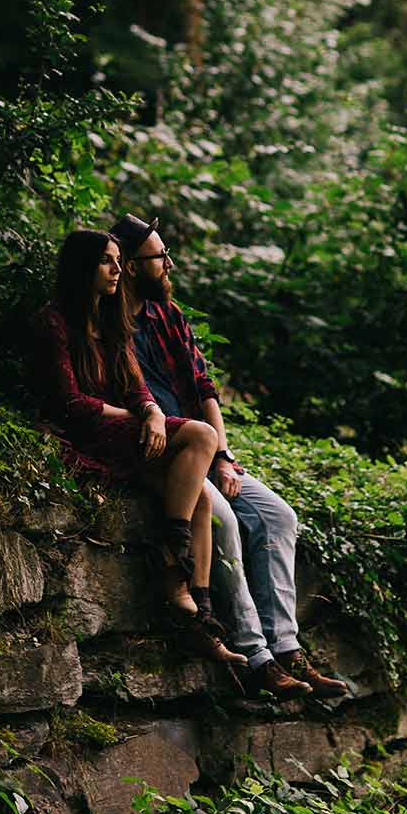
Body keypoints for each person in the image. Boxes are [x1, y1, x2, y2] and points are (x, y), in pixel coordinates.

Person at [110, 213, 349, 703]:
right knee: (222, 521)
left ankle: (287, 649)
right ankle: (256, 658)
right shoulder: (109, 327)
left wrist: (223, 456)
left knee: (277, 515)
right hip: (163, 454)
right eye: (160, 257)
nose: (169, 263)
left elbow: (205, 391)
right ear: (132, 267)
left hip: (206, 450)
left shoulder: (168, 318)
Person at [31, 228, 246, 666]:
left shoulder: (111, 320)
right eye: (107, 261)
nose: (116, 270)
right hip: (85, 433)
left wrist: (150, 412)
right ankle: (172, 556)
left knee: (201, 496)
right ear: (82, 268)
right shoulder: (53, 321)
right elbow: (69, 402)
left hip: (125, 433)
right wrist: (137, 417)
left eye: (117, 260)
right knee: (202, 435)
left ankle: (200, 622)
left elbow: (137, 386)